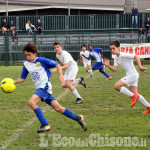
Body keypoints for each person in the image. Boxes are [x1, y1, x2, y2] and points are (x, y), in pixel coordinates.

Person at [14, 42, 87, 133]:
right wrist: (13, 82)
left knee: (31, 102)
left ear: (35, 53)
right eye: (26, 55)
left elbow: (57, 65)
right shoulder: (26, 64)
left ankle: (45, 124)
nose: (27, 57)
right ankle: (79, 118)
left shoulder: (41, 60)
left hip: (44, 87)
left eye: (29, 55)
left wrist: (60, 75)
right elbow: (22, 78)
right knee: (58, 108)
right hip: (41, 89)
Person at [103, 40, 150, 114]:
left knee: (116, 86)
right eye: (111, 49)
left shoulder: (123, 54)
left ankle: (133, 96)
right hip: (131, 75)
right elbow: (115, 69)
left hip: (132, 75)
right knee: (136, 93)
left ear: (118, 48)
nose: (112, 50)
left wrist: (140, 67)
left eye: (114, 48)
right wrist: (108, 65)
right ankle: (148, 107)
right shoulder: (116, 58)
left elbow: (136, 56)